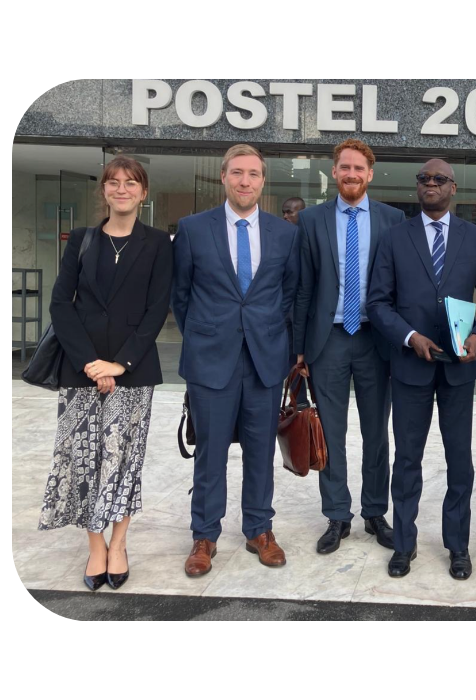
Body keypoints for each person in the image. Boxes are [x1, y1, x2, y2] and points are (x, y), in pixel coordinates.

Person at [39, 155, 173, 592]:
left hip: (133, 371)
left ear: (143, 192)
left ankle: (119, 544)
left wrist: (120, 363)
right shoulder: (82, 239)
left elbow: (157, 308)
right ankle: (95, 546)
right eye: (114, 182)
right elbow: (61, 303)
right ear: (104, 190)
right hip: (80, 369)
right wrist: (88, 362)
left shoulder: (158, 244)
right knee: (84, 462)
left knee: (123, 460)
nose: (122, 189)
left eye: (131, 183)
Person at [367, 159, 476, 580]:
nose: (431, 184)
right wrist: (410, 337)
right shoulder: (395, 237)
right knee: (407, 459)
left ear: (453, 188)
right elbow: (378, 303)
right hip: (411, 367)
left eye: (439, 179)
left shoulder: (475, 238)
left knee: (459, 460)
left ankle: (457, 545)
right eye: (424, 179)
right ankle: (403, 544)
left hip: (459, 370)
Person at [171, 144, 299, 576]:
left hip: (264, 359)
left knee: (261, 450)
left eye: (254, 174)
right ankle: (204, 535)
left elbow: (289, 294)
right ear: (223, 176)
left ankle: (259, 530)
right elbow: (181, 296)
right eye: (238, 173)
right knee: (210, 452)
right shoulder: (193, 229)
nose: (246, 181)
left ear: (263, 181)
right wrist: (207, 334)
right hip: (211, 359)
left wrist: (274, 338)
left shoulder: (285, 233)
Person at [293, 139, 405, 554]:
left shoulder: (393, 219)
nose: (352, 174)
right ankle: (337, 515)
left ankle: (375, 511)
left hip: (376, 339)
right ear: (334, 172)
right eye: (345, 167)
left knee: (377, 432)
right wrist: (299, 348)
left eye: (359, 168)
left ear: (370, 174)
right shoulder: (311, 219)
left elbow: (401, 285)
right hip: (329, 339)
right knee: (330, 432)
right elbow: (303, 287)